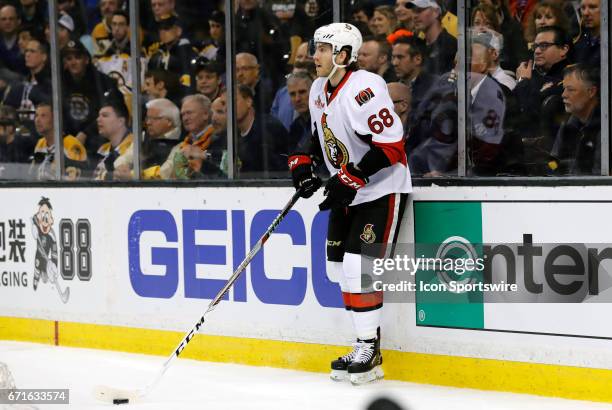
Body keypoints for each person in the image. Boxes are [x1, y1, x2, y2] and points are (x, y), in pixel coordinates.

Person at [288, 23, 410, 385]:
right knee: (337, 269)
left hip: (381, 189)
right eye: (316, 49)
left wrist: (351, 177)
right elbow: (318, 133)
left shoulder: (365, 87)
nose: (315, 56)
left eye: (323, 49)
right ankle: (362, 343)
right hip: (349, 188)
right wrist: (303, 162)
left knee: (360, 268)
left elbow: (391, 147)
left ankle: (368, 348)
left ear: (343, 55)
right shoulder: (317, 88)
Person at [550, 64, 600, 175]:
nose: (563, 95)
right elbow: (553, 164)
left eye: (571, 90)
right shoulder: (567, 126)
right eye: (564, 89)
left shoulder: (605, 129)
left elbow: (600, 179)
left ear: (591, 92)